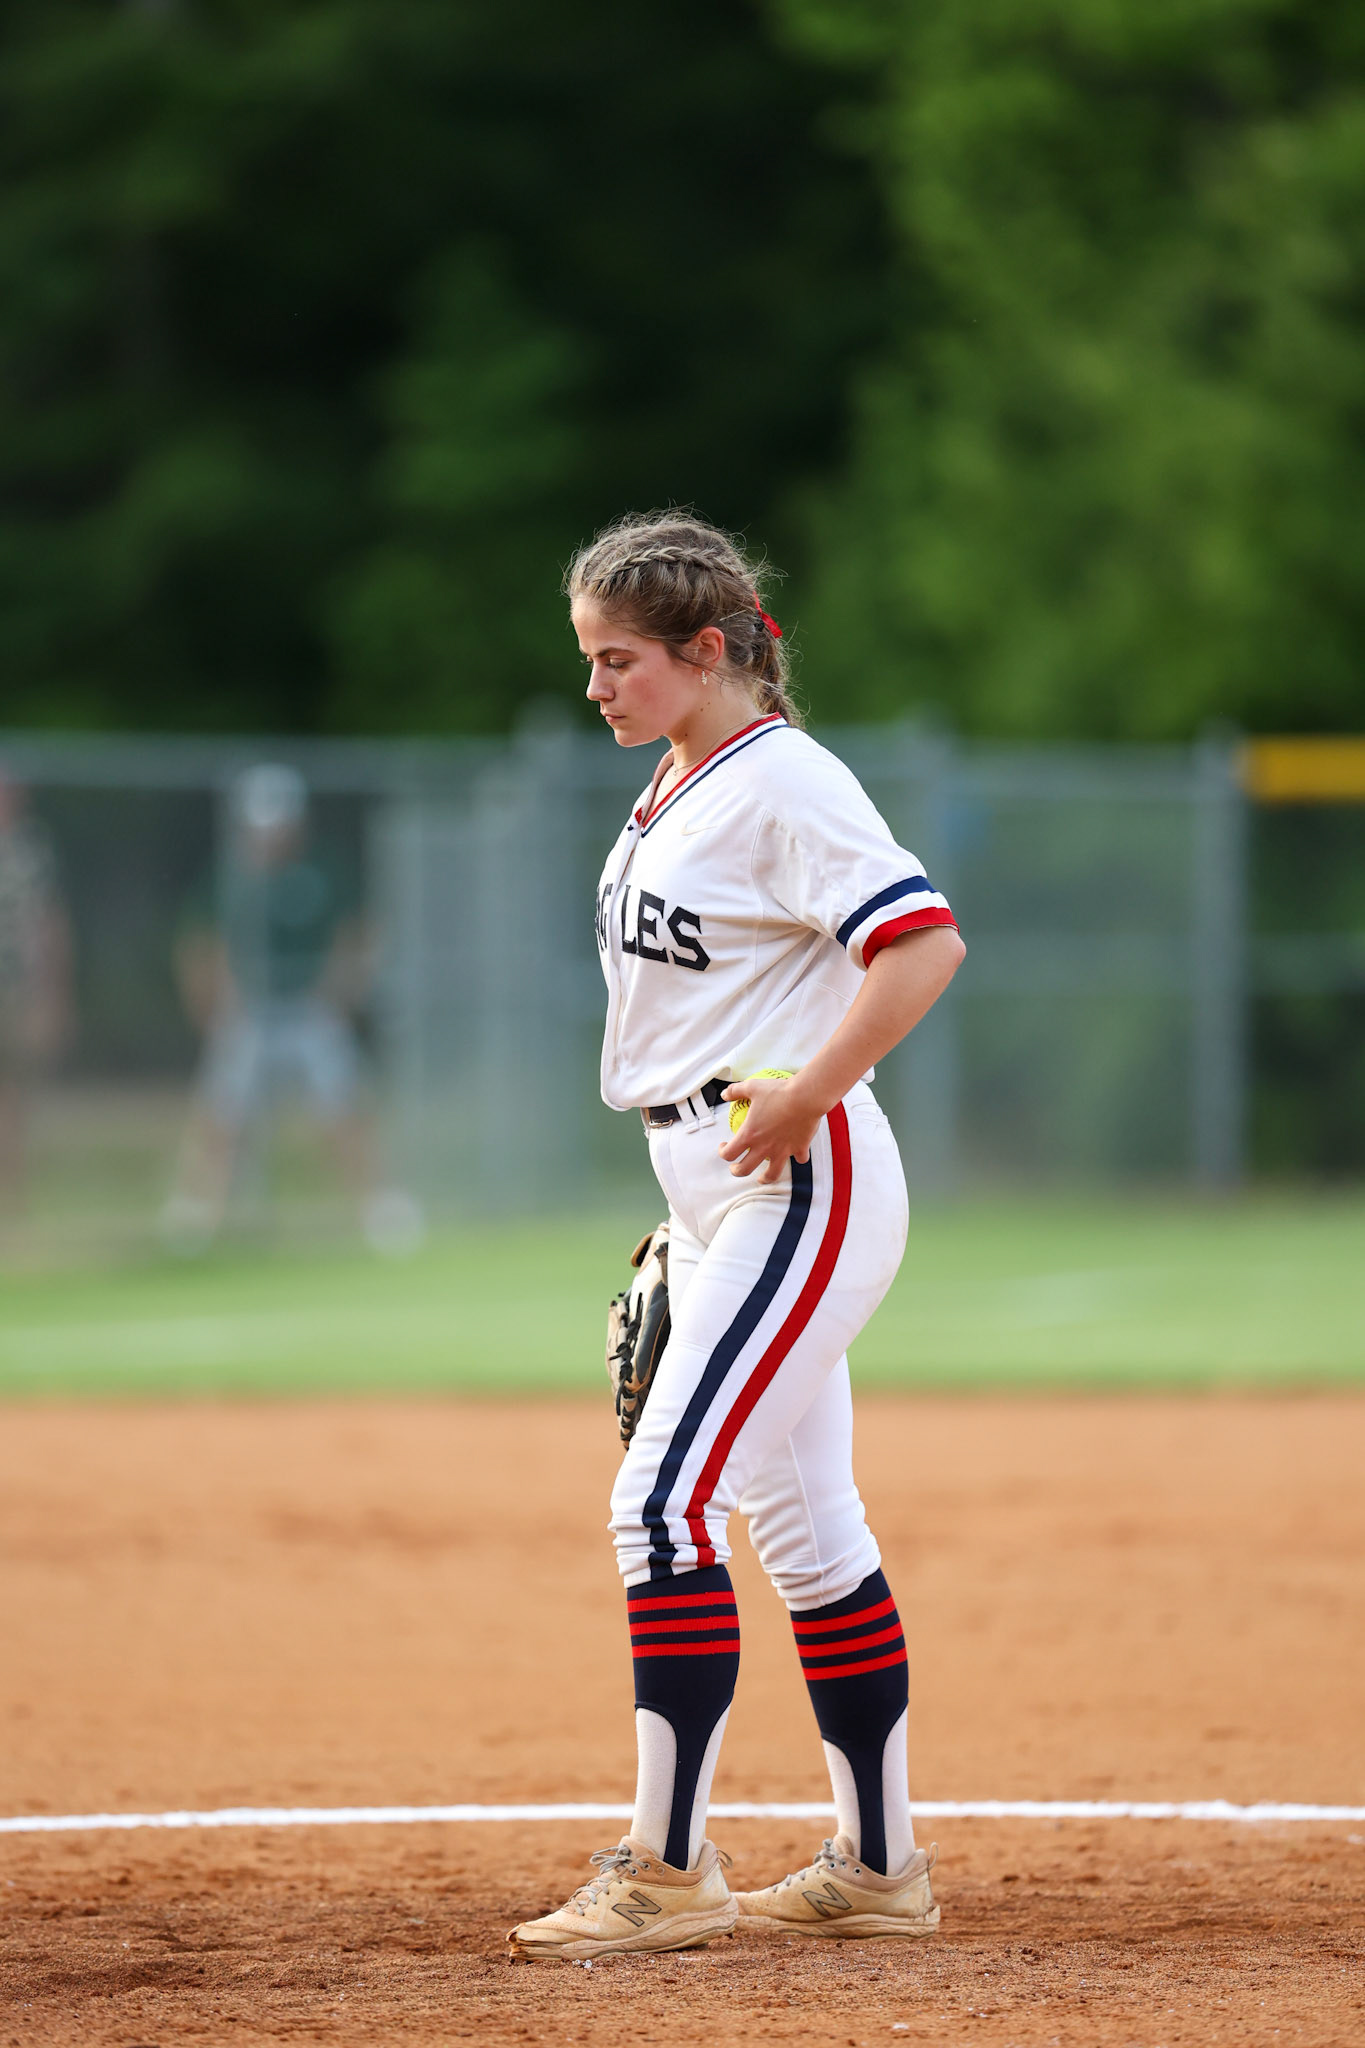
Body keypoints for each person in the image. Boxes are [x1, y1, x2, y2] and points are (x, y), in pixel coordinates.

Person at [509, 514, 965, 1961]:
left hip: (797, 1175)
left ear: (711, 651)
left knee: (660, 1507)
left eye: (619, 659)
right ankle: (880, 1870)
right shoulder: (677, 783)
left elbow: (923, 943)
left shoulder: (786, 784)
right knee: (802, 1527)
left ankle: (665, 1872)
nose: (598, 687)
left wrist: (811, 1090)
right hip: (714, 1181)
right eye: (590, 660)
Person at [162, 763, 423, 1256]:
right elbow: (201, 943)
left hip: (308, 1012)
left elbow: (356, 935)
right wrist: (214, 1004)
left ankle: (384, 1212)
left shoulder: (322, 870)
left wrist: (340, 991)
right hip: (250, 1015)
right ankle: (192, 1221)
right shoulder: (231, 877)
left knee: (345, 1107)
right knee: (221, 1117)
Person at [0, 767, 73, 1219]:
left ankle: (13, 1209)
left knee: (13, 1102)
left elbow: (50, 926)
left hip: (14, 991)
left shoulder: (32, 849)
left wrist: (52, 995)